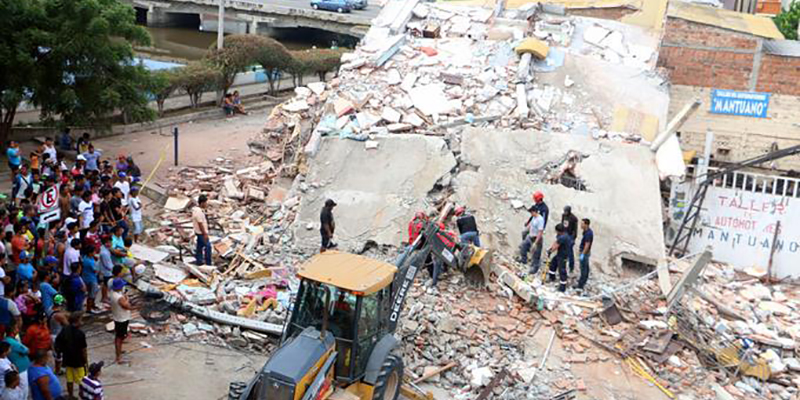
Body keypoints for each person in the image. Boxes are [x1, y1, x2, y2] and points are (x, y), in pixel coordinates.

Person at [55, 312, 86, 399]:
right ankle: (82, 395)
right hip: (78, 360)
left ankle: (70, 395)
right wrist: (85, 361)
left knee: (69, 379)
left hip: (67, 359)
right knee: (82, 380)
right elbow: (83, 349)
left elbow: (58, 342)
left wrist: (60, 352)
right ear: (77, 321)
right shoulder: (80, 333)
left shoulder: (65, 330)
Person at [110, 279, 132, 364]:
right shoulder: (119, 298)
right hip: (121, 319)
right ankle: (118, 357)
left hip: (118, 317)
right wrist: (126, 298)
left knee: (121, 336)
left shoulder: (113, 293)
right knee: (119, 337)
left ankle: (119, 351)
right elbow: (128, 306)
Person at [3, 323, 29, 396]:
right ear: (13, 331)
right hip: (20, 370)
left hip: (19, 368)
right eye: (16, 328)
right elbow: (27, 350)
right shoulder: (11, 341)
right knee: (23, 390)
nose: (18, 329)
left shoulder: (8, 339)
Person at [520, 206, 545, 275]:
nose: (531, 214)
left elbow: (540, 232)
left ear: (535, 211)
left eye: (531, 212)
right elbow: (530, 225)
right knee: (523, 246)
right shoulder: (534, 218)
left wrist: (536, 243)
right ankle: (523, 260)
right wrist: (525, 230)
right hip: (530, 236)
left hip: (536, 238)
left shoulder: (540, 220)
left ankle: (534, 268)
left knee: (536, 254)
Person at [546, 223, 571, 293]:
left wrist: (550, 251)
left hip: (563, 255)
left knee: (562, 270)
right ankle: (552, 277)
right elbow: (556, 242)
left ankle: (562, 287)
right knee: (553, 264)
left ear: (559, 231)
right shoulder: (563, 235)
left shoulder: (562, 237)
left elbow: (556, 246)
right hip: (560, 254)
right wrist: (551, 248)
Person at [48, 296, 68, 375]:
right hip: (57, 336)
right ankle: (58, 370)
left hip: (51, 334)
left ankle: (59, 367)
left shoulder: (50, 309)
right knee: (58, 355)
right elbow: (67, 325)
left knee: (57, 353)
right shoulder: (59, 315)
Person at [192, 195, 211, 266]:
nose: (206, 204)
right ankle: (208, 263)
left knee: (199, 247)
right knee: (208, 247)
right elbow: (200, 224)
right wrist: (205, 234)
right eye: (206, 203)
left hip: (199, 232)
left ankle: (199, 261)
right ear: (202, 203)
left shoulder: (197, 210)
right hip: (201, 233)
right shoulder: (198, 212)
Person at [575, 218, 594, 292]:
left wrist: (582, 254)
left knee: (584, 269)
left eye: (582, 223)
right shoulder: (585, 232)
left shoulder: (588, 234)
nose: (581, 225)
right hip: (585, 252)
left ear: (586, 224)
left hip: (585, 253)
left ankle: (580, 285)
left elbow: (587, 245)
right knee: (585, 268)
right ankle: (582, 283)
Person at [80, 246, 99, 314]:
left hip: (86, 277)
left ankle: (92, 305)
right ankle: (89, 309)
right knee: (91, 294)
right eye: (94, 252)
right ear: (90, 253)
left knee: (93, 293)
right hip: (91, 279)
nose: (95, 253)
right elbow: (95, 270)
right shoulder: (89, 262)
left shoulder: (86, 258)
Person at [561, 206, 578, 273]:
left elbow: (575, 230)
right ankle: (562, 265)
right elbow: (562, 224)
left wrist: (573, 239)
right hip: (564, 234)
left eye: (566, 211)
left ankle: (571, 267)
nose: (565, 213)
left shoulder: (574, 218)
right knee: (562, 251)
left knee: (570, 252)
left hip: (570, 236)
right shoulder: (563, 216)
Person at [97, 237, 114, 304]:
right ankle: (104, 298)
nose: (111, 244)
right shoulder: (104, 253)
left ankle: (105, 296)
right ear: (106, 243)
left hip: (104, 270)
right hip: (106, 271)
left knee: (105, 284)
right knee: (105, 284)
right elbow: (108, 265)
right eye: (110, 242)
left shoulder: (104, 249)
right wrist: (113, 269)